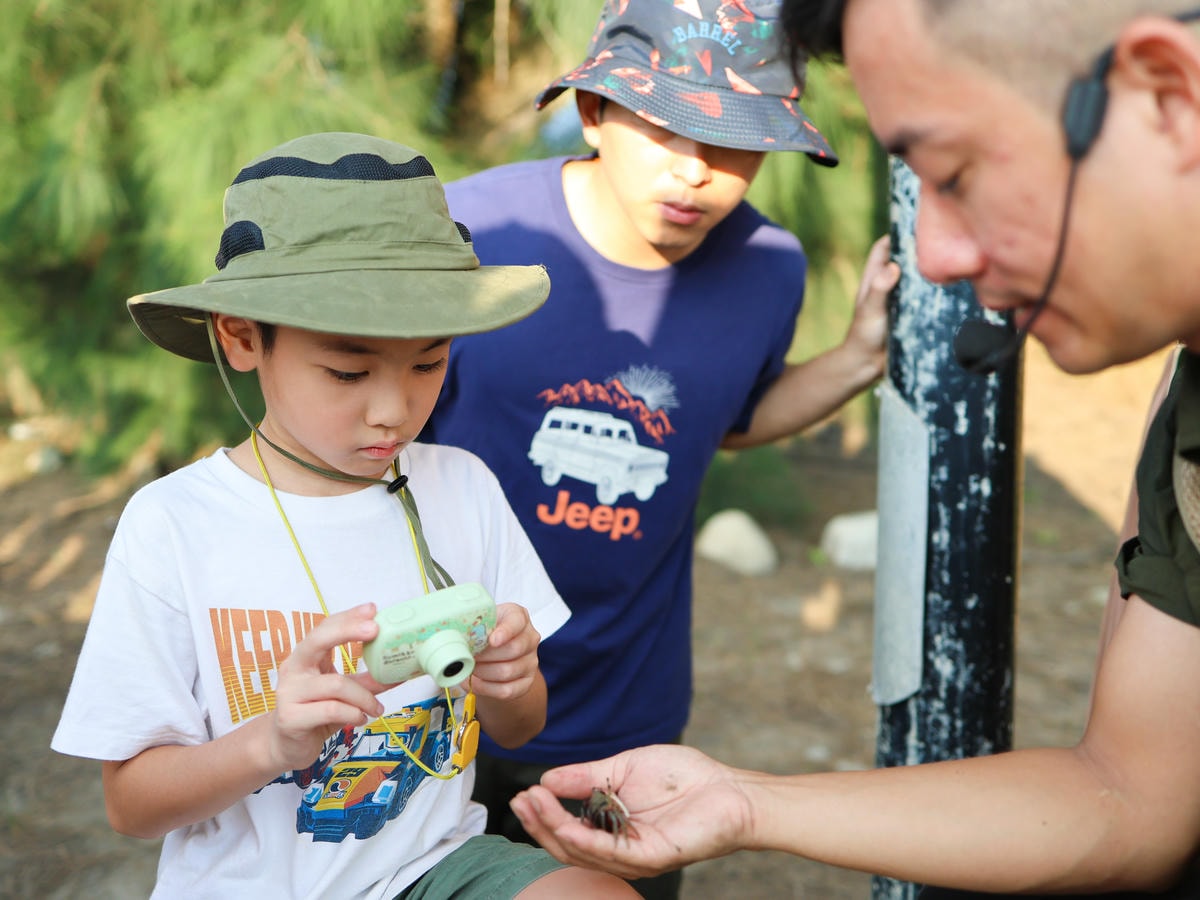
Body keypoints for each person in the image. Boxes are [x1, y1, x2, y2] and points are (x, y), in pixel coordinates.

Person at [506, 0, 1200, 897]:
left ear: (1171, 98)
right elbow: (1130, 797)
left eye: (956, 173)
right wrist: (744, 804)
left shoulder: (762, 268)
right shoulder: (1183, 410)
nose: (935, 257)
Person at [50, 131, 639, 900]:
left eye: (429, 362)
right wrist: (271, 742)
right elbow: (131, 806)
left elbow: (520, 728)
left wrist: (511, 681)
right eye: (347, 371)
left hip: (432, 865)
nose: (394, 410)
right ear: (241, 336)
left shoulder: (463, 487)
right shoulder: (174, 524)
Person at [419, 4, 896, 895]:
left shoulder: (769, 269)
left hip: (624, 699)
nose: (696, 170)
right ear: (594, 112)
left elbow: (728, 416)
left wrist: (858, 358)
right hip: (438, 685)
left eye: (736, 142)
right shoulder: (471, 233)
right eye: (667, 128)